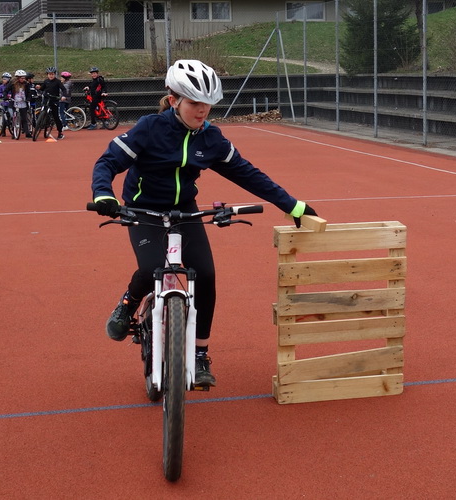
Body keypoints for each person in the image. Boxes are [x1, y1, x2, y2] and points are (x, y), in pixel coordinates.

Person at [90, 59, 317, 387]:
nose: (202, 111)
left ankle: (199, 354)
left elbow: (248, 174)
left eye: (207, 104)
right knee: (152, 267)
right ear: (174, 101)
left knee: (206, 275)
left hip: (185, 210)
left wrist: (293, 205)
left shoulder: (211, 139)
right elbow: (108, 162)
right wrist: (103, 195)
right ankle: (128, 303)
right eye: (195, 103)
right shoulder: (149, 129)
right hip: (142, 210)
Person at [35, 67, 66, 140]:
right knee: (42, 110)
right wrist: (39, 87)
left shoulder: (57, 82)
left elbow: (63, 89)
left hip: (54, 100)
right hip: (46, 99)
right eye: (49, 74)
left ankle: (60, 132)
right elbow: (42, 88)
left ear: (55, 74)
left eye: (52, 74)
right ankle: (41, 122)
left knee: (56, 117)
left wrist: (63, 96)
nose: (51, 76)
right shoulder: (46, 81)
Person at [4, 69, 33, 138]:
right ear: (18, 78)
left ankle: (27, 132)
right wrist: (6, 97)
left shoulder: (26, 84)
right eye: (22, 78)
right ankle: (14, 133)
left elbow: (29, 93)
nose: (23, 79)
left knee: (24, 118)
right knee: (13, 117)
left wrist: (28, 99)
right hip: (14, 101)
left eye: (24, 78)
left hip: (23, 102)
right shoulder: (12, 83)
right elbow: (6, 90)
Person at [0, 72, 12, 137]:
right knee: (3, 118)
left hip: (9, 103)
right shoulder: (1, 86)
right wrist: (2, 95)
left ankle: (12, 128)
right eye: (3, 79)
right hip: (3, 103)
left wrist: (9, 96)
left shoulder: (10, 86)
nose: (4, 80)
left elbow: (12, 93)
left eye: (5, 79)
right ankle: (3, 131)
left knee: (11, 115)